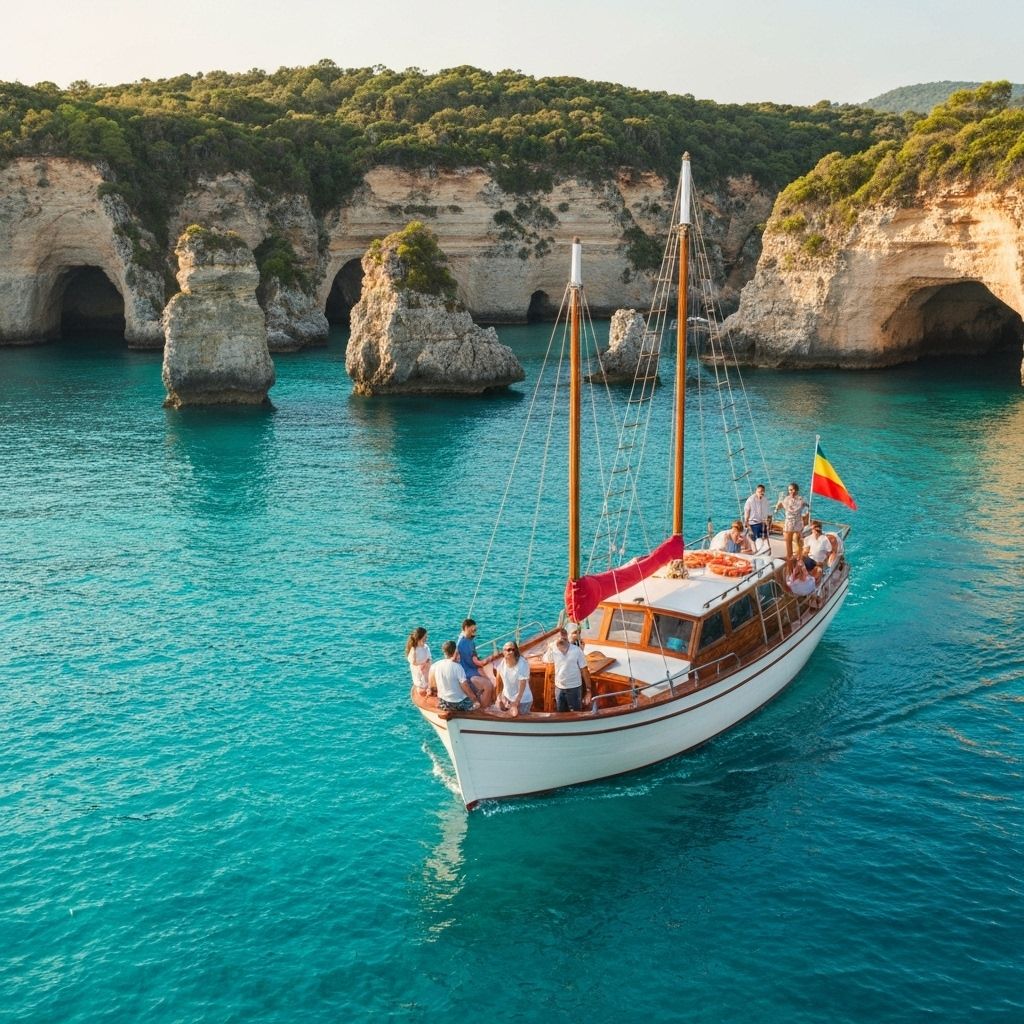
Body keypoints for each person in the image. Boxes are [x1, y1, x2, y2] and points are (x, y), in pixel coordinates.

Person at [544, 627, 592, 713]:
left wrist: (588, 690)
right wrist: (549, 647)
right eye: (559, 636)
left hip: (574, 687)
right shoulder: (553, 650)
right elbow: (546, 660)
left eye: (563, 635)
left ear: (566, 636)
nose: (561, 637)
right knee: (561, 714)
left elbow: (584, 670)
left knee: (576, 714)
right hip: (559, 688)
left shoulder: (576, 650)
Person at [429, 640, 480, 713]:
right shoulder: (458, 667)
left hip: (444, 703)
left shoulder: (436, 665)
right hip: (458, 704)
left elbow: (432, 684)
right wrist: (475, 701)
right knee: (478, 699)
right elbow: (465, 686)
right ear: (455, 651)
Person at [455, 618, 495, 708]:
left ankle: (489, 702)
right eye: (473, 629)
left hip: (466, 669)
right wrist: (490, 658)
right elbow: (477, 663)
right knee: (490, 684)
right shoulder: (469, 643)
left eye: (475, 630)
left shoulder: (460, 640)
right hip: (469, 672)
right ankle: (484, 708)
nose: (475, 632)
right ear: (466, 628)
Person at [496, 640, 533, 717]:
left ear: (515, 651)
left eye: (512, 649)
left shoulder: (522, 664)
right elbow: (499, 680)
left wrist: (516, 702)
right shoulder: (502, 663)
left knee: (520, 723)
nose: (510, 652)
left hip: (522, 700)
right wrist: (500, 696)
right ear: (503, 652)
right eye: (507, 650)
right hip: (508, 698)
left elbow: (523, 684)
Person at [776, 482, 809, 561]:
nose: (791, 492)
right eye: (790, 490)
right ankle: (790, 560)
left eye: (793, 490)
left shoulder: (801, 500)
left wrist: (807, 509)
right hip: (789, 523)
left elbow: (805, 507)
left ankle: (799, 558)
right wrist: (778, 506)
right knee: (788, 544)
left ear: (796, 490)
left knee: (798, 542)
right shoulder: (786, 499)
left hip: (797, 523)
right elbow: (779, 507)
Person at [405, 626, 432, 695]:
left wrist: (427, 664)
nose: (426, 638)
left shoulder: (425, 647)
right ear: (419, 638)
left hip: (427, 670)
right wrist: (422, 665)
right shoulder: (414, 650)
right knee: (422, 690)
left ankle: (428, 686)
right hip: (419, 673)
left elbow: (429, 658)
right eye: (425, 637)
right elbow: (413, 663)